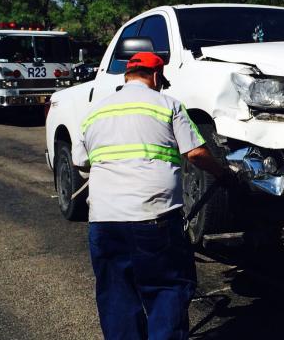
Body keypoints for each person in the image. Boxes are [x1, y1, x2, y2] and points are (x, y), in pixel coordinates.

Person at [72, 51, 232, 340]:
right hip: (153, 219)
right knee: (165, 290)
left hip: (104, 221)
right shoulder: (167, 105)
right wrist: (223, 174)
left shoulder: (96, 111)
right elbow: (195, 152)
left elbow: (80, 161)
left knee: (117, 295)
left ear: (127, 76)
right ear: (156, 76)